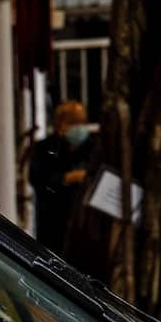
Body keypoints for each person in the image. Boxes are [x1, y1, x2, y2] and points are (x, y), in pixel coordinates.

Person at [29, 100, 95, 254]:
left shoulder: (92, 148)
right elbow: (38, 179)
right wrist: (68, 178)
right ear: (60, 125)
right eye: (74, 123)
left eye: (82, 122)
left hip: (85, 226)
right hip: (53, 223)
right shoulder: (45, 148)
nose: (79, 128)